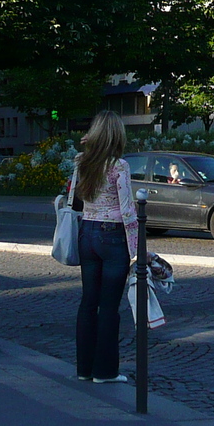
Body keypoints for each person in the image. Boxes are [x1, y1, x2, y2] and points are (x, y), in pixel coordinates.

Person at [70, 110, 138, 384]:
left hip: (87, 232)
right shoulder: (119, 166)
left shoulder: (81, 161)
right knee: (109, 307)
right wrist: (136, 250)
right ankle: (105, 371)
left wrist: (85, 146)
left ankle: (84, 368)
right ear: (118, 135)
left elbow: (75, 199)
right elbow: (128, 210)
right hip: (112, 237)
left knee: (88, 302)